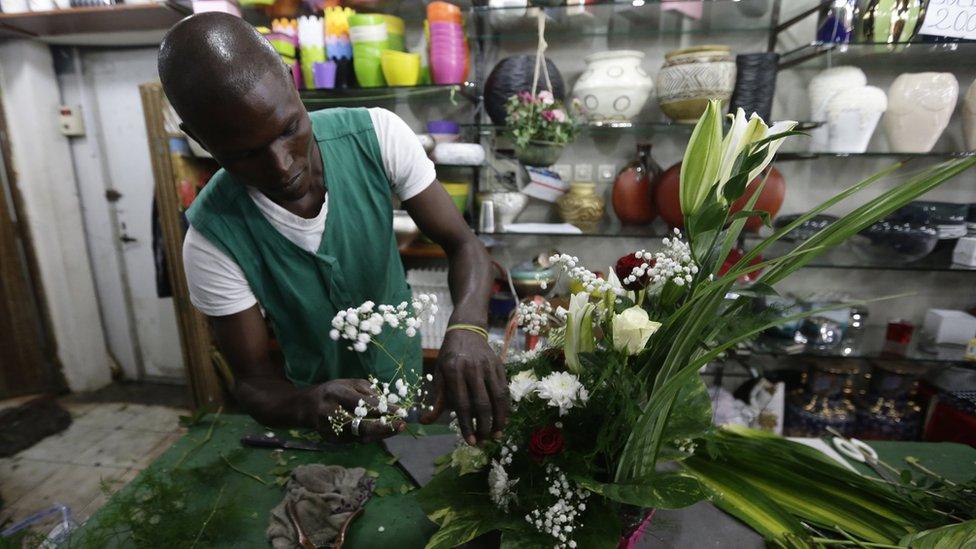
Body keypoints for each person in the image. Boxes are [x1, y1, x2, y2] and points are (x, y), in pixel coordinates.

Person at [157, 13, 507, 445]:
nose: (281, 165)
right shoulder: (211, 239)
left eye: (289, 129)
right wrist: (306, 405)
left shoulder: (377, 137)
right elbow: (251, 381)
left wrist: (469, 328)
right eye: (245, 154)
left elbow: (463, 244)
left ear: (291, 81)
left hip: (411, 385)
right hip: (319, 426)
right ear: (200, 139)